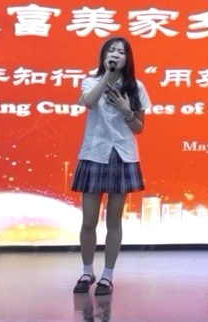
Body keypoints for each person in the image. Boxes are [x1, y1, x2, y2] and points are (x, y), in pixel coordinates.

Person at [70, 36, 150, 296]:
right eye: (111, 51)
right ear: (104, 56)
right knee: (89, 221)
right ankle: (87, 271)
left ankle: (107, 276)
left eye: (121, 52)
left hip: (122, 155)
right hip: (95, 153)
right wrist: (106, 76)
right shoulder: (90, 81)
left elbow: (138, 128)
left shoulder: (136, 87)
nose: (116, 55)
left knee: (114, 221)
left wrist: (126, 110)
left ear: (128, 59)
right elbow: (89, 102)